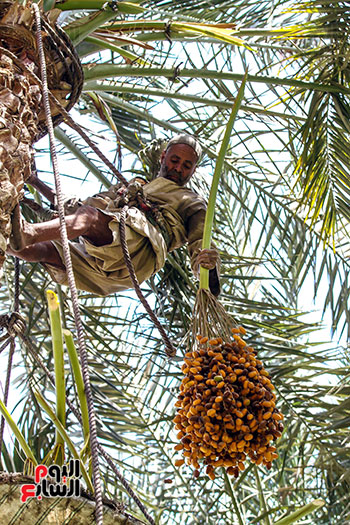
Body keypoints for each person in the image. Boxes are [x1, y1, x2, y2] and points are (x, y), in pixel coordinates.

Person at [7, 134, 220, 296]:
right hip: (108, 260)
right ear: (164, 157)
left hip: (141, 247)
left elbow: (201, 242)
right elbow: (76, 208)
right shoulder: (132, 188)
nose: (178, 168)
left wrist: (207, 270)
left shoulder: (192, 201)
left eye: (186, 166)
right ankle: (5, 240)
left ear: (193, 171)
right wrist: (34, 182)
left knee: (89, 218)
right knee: (42, 251)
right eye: (175, 160)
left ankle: (28, 232)